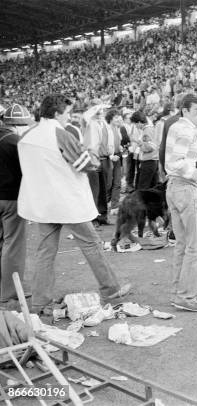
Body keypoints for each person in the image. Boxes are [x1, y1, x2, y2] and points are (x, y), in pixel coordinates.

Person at [18, 94, 131, 315]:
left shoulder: (27, 136)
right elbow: (87, 164)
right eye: (67, 112)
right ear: (58, 113)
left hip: (42, 204)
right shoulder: (59, 134)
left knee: (45, 253)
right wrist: (90, 150)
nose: (68, 117)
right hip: (68, 202)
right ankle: (111, 290)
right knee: (92, 246)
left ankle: (40, 304)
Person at [165, 94, 197, 311]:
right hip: (184, 186)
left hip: (174, 186)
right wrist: (196, 173)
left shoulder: (178, 126)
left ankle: (178, 292)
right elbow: (176, 161)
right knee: (196, 247)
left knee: (183, 245)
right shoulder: (185, 129)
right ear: (185, 110)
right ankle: (186, 296)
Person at [0, 124, 26, 310]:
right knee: (13, 246)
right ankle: (9, 295)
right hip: (10, 198)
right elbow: (26, 170)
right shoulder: (12, 140)